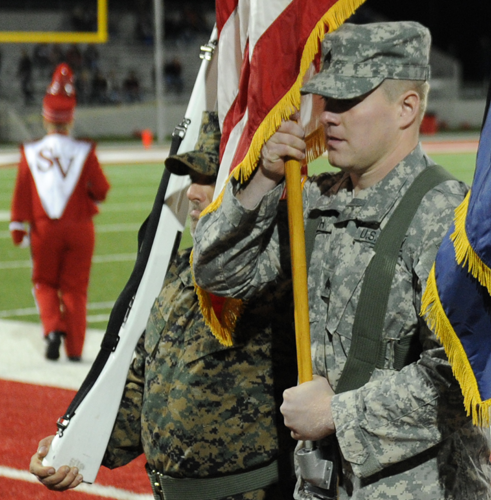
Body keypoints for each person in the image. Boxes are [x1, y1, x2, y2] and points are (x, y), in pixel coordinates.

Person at [191, 21, 490, 499]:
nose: (328, 116)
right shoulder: (314, 203)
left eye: (348, 101)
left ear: (407, 108)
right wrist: (262, 181)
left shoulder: (449, 215)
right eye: (328, 100)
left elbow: (464, 377)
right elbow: (219, 274)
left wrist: (337, 415)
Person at [29, 114, 295, 499]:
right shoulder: (173, 270)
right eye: (192, 179)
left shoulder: (282, 268)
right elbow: (143, 381)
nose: (193, 193)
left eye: (211, 177)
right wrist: (72, 446)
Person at [11, 63, 110, 361]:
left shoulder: (30, 152)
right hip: (80, 227)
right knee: (75, 290)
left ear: (45, 117)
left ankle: (53, 328)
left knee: (44, 283)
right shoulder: (84, 151)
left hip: (44, 228)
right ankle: (76, 350)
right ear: (71, 117)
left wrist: (17, 226)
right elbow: (101, 190)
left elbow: (22, 192)